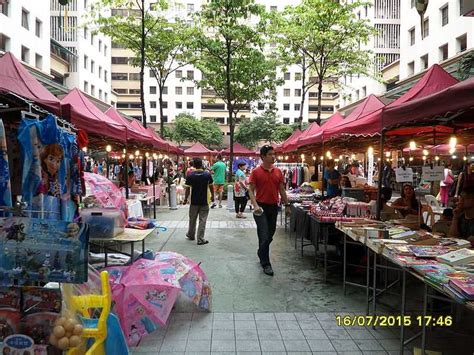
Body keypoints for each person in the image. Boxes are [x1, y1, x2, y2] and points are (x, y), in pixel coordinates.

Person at [248, 145, 290, 276]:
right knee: (264, 234)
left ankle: (261, 252)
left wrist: (287, 205)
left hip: (273, 207)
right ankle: (266, 263)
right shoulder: (255, 172)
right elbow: (250, 190)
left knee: (269, 234)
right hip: (260, 208)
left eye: (274, 154)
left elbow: (282, 190)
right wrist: (255, 205)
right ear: (263, 157)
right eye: (270, 154)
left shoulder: (278, 172)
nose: (273, 156)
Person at [184, 158, 214, 245]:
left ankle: (191, 234)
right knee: (202, 220)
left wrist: (186, 199)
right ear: (202, 164)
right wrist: (212, 197)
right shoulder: (207, 175)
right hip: (204, 201)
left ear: (194, 165)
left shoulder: (190, 175)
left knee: (192, 219)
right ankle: (200, 239)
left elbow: (187, 189)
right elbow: (211, 186)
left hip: (194, 201)